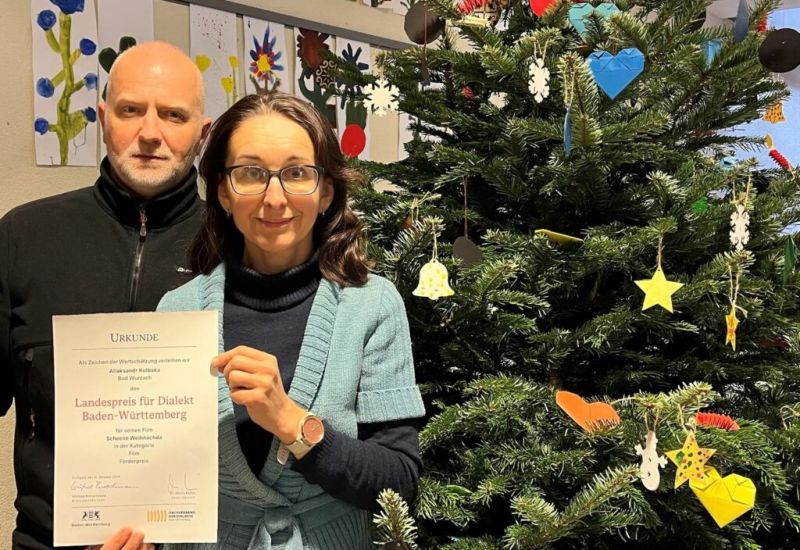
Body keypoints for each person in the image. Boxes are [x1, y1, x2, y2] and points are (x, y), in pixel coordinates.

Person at [156, 91, 425, 549]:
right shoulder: (177, 312)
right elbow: (155, 469)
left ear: (326, 193)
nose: (274, 198)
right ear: (223, 191)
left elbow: (399, 481)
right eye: (251, 173)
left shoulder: (372, 306)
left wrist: (291, 422)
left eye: (297, 173)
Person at [0, 41, 211, 550]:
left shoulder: (239, 246)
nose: (150, 133)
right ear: (101, 118)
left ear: (203, 134)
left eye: (173, 115)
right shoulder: (23, 236)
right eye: (131, 110)